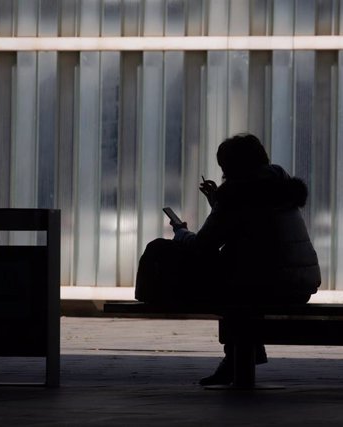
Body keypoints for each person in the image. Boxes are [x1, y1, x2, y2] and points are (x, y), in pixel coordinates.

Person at [135, 133, 321, 385]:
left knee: (163, 250)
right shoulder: (280, 187)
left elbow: (203, 245)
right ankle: (237, 359)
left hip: (268, 285)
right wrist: (217, 204)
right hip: (299, 284)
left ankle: (237, 360)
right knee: (238, 283)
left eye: (224, 167)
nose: (223, 173)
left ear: (233, 166)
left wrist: (180, 232)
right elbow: (249, 226)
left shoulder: (237, 194)